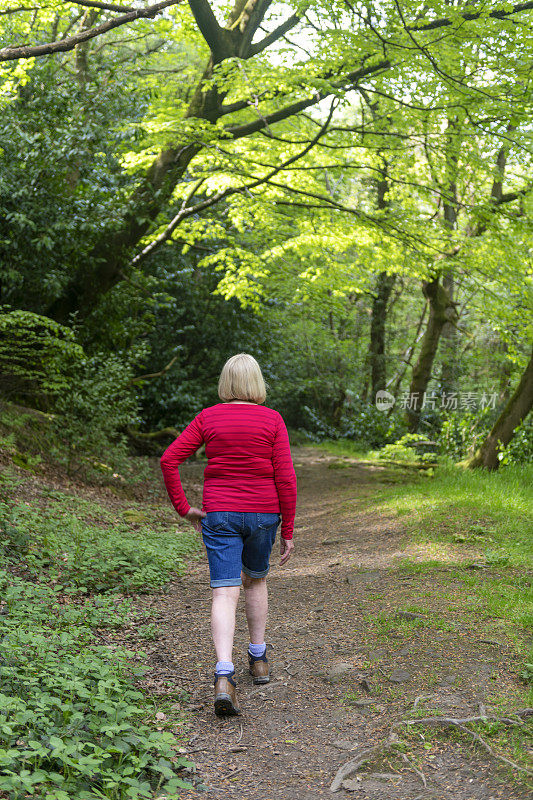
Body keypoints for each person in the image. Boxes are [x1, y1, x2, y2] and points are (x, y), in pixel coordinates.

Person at [159, 353, 297, 716]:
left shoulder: (209, 417)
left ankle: (224, 676)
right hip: (264, 515)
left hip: (219, 513)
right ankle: (259, 659)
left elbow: (169, 459)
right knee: (255, 581)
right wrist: (289, 529)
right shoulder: (272, 419)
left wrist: (183, 507)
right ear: (257, 383)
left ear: (225, 382)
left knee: (224, 591)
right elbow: (285, 477)